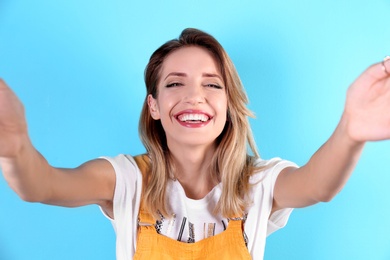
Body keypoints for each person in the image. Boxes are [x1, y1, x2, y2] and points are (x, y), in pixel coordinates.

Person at [0, 28, 389, 260]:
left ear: (228, 105)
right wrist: (15, 147)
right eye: (174, 83)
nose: (194, 96)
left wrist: (351, 129)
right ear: (153, 106)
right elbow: (42, 185)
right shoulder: (126, 180)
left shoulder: (259, 183)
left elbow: (316, 186)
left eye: (212, 84)